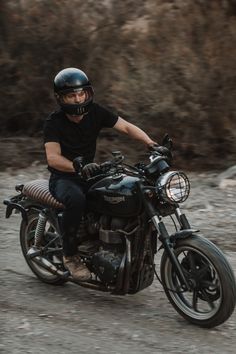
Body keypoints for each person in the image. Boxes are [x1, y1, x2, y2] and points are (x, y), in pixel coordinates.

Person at [43, 67, 158, 282]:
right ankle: (70, 255)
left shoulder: (95, 112)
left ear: (87, 93)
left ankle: (111, 242)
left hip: (91, 173)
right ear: (61, 98)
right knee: (76, 199)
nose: (78, 100)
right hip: (64, 177)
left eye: (81, 94)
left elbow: (126, 127)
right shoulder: (54, 122)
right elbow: (53, 158)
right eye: (71, 95)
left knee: (123, 191)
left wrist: (151, 144)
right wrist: (77, 168)